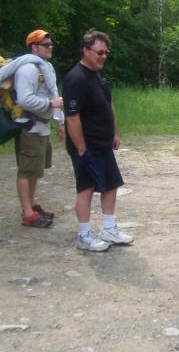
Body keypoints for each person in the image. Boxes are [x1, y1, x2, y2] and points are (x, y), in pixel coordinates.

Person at [63, 29, 133, 252]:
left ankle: (108, 229)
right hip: (86, 145)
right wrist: (81, 147)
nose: (103, 56)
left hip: (103, 143)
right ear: (86, 50)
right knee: (86, 188)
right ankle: (84, 235)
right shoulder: (75, 79)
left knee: (111, 185)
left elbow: (108, 105)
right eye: (99, 52)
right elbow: (72, 117)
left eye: (106, 53)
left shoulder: (99, 74)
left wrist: (115, 132)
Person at [14, 29, 65, 228]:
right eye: (46, 45)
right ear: (34, 48)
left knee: (36, 168)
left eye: (51, 44)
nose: (50, 47)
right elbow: (24, 99)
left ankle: (32, 205)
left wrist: (59, 121)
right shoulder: (27, 69)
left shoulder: (46, 67)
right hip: (29, 126)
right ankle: (27, 214)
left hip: (41, 126)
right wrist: (50, 105)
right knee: (26, 170)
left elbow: (54, 93)